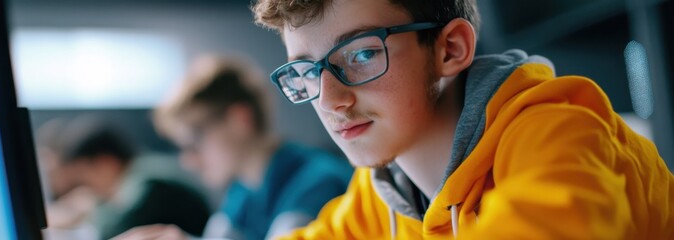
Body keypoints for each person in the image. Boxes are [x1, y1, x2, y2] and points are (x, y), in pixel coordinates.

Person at [249, 0, 674, 239]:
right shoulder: (383, 191)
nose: (330, 100)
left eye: (361, 54)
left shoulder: (558, 133)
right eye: (306, 71)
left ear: (450, 48)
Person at [114, 55, 353, 240]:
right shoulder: (242, 193)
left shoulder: (320, 182)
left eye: (194, 143)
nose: (189, 160)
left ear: (239, 119)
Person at [36, 116, 212, 239]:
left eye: (84, 175)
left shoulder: (149, 182)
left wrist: (90, 209)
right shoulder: (145, 168)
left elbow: (121, 229)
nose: (85, 185)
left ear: (106, 163)